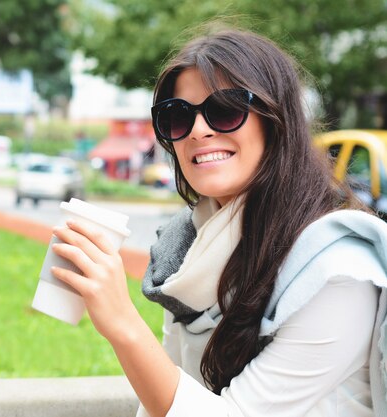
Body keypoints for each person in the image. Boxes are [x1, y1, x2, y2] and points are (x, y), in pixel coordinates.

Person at [49, 27, 387, 417]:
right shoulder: (191, 248)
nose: (198, 130)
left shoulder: (339, 272)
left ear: (276, 122)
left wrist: (123, 323)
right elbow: (167, 390)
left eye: (225, 109)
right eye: (176, 117)